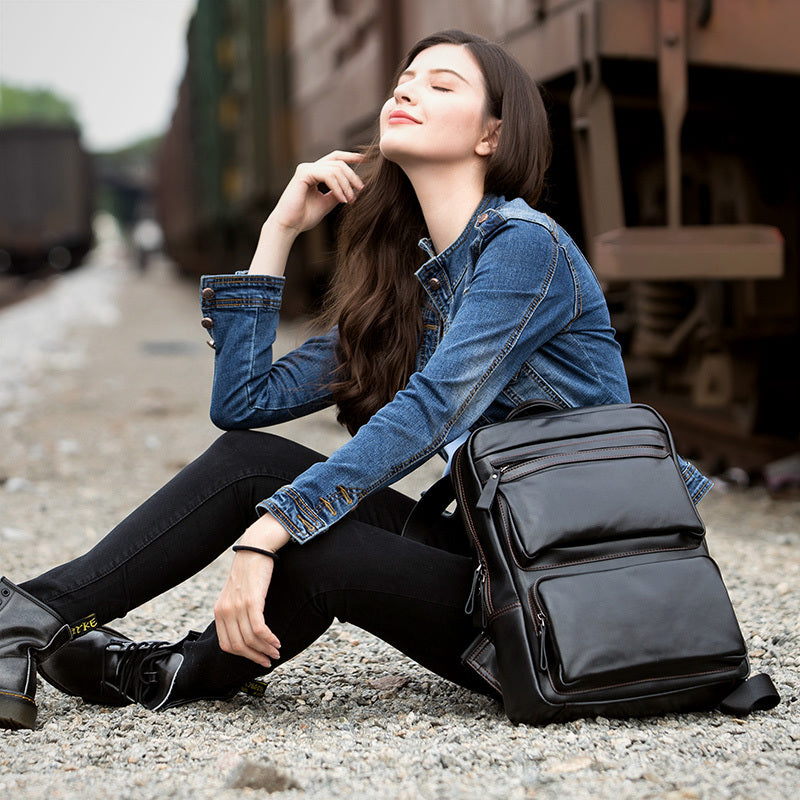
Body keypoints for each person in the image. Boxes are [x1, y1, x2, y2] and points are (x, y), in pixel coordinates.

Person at [0, 30, 711, 731]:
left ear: (491, 135)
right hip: (494, 557)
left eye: (441, 84)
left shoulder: (527, 247)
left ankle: (150, 668)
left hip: (565, 596)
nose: (406, 88)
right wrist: (279, 229)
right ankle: (31, 618)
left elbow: (431, 410)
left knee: (313, 537)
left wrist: (266, 534)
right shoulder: (417, 288)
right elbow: (242, 405)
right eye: (405, 77)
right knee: (253, 465)